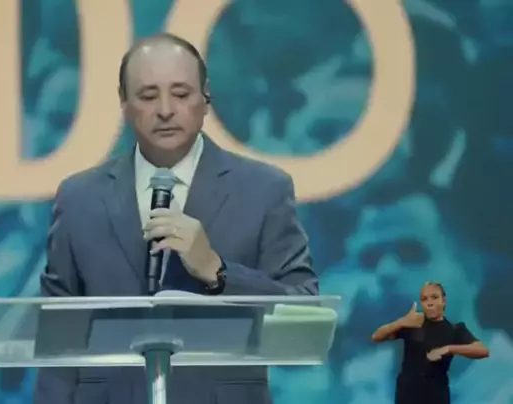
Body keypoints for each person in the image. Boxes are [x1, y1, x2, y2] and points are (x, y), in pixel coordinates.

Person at [34, 33, 318, 404]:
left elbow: (305, 323)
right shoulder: (79, 199)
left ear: (206, 97)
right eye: (148, 96)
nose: (165, 110)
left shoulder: (263, 190)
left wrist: (218, 272)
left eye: (181, 94)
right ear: (123, 102)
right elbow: (56, 346)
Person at [371, 282, 490, 404]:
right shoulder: (412, 325)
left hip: (436, 395)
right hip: (407, 395)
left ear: (444, 300)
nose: (430, 303)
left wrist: (449, 349)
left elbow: (482, 351)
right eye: (425, 299)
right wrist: (401, 322)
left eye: (434, 297)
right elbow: (377, 337)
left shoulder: (454, 329)